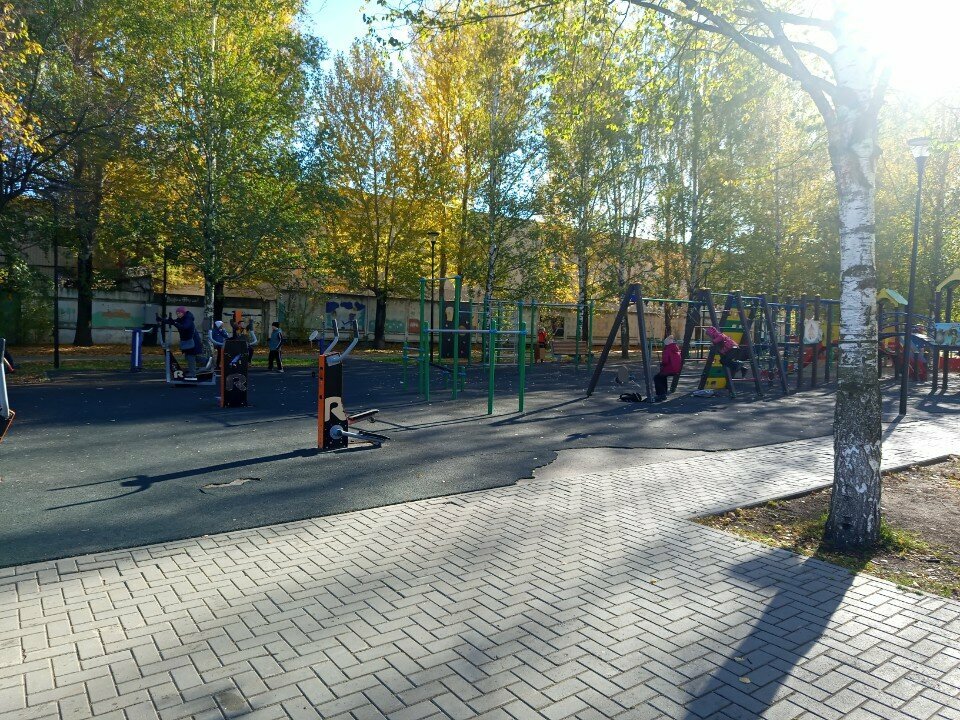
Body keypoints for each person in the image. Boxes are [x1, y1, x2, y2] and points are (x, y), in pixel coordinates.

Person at [159, 306, 208, 379]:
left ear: (183, 313)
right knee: (192, 356)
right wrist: (162, 320)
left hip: (193, 341)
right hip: (189, 341)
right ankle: (207, 362)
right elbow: (173, 321)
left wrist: (174, 323)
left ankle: (192, 373)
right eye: (177, 313)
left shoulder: (188, 318)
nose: (178, 314)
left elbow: (185, 327)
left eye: (179, 313)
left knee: (190, 356)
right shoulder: (182, 318)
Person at [654, 335, 682, 402]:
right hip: (676, 369)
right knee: (662, 376)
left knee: (657, 378)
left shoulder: (667, 349)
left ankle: (661, 394)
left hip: (670, 369)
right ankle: (664, 392)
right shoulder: (676, 348)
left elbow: (665, 361)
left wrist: (662, 364)